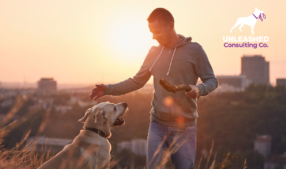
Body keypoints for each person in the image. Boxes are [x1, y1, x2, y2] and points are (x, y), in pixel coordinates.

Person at [90, 7, 218, 169]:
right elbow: (137, 82)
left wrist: (200, 89)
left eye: (157, 32)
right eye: (151, 32)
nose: (153, 37)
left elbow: (212, 80)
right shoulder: (153, 52)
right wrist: (107, 89)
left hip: (185, 127)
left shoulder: (195, 50)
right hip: (158, 124)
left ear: (170, 26)